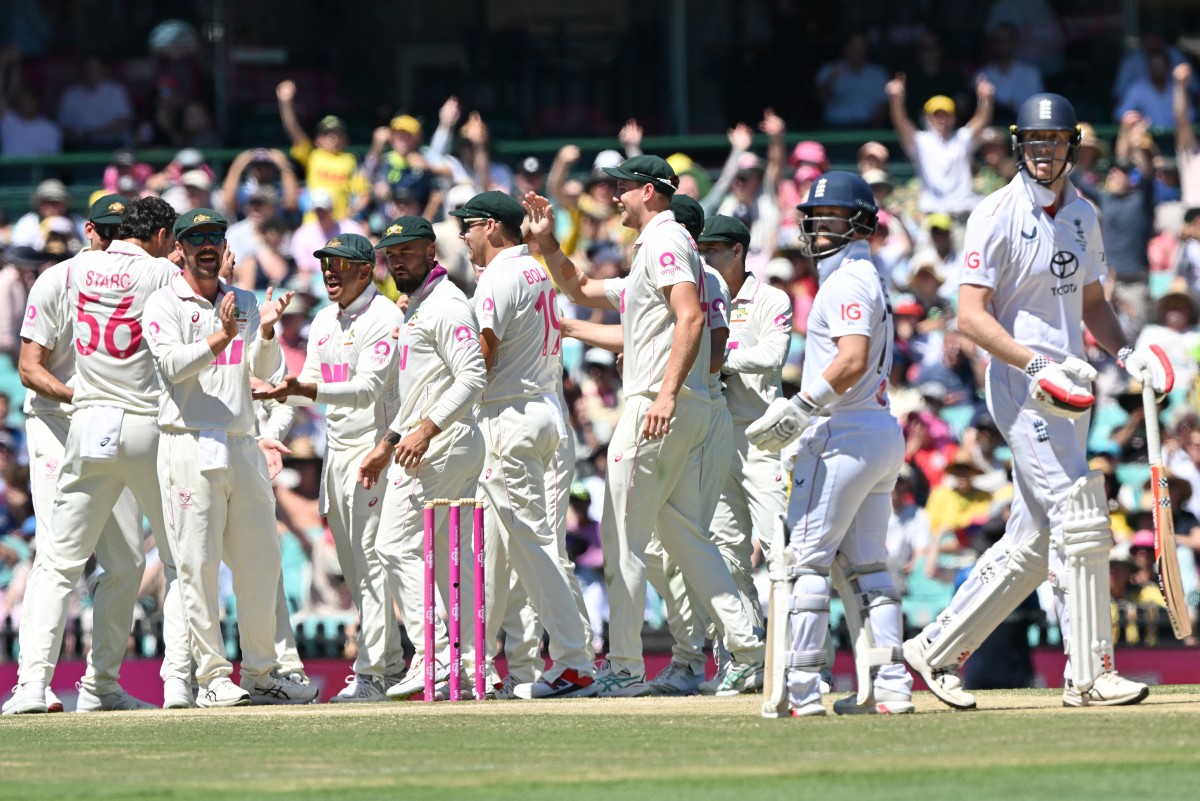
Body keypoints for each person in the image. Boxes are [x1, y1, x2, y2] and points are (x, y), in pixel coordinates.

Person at [901, 93, 1169, 710]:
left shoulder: (1084, 215)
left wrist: (1127, 357)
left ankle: (936, 647)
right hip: (1023, 385)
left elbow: (1095, 304)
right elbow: (970, 316)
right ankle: (1091, 674)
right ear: (1019, 146)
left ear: (1071, 146)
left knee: (1031, 542)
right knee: (1079, 513)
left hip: (1074, 387)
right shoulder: (994, 213)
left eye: (1052, 142)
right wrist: (1037, 362)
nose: (1042, 153)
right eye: (1032, 142)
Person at [523, 154, 765, 698]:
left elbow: (691, 318)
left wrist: (664, 393)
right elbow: (583, 289)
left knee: (624, 540)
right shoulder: (661, 250)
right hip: (689, 408)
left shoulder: (665, 239)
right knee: (685, 537)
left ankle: (626, 666)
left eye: (624, 188)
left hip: (659, 407)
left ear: (652, 192)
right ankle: (749, 647)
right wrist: (547, 244)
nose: (614, 197)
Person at [3, 197, 187, 714]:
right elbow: (29, 368)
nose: (108, 239)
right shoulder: (60, 278)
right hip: (58, 426)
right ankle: (31, 687)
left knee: (126, 561)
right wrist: (76, 396)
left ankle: (100, 685)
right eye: (103, 230)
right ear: (91, 229)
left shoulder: (79, 271)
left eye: (116, 230)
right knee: (58, 557)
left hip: (94, 425)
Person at [748, 171, 913, 717]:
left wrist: (801, 406)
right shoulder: (865, 273)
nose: (818, 231)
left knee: (805, 563)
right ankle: (890, 686)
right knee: (869, 566)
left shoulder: (846, 280)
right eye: (814, 220)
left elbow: (850, 360)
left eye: (831, 220)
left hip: (843, 430)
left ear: (861, 222)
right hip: (877, 430)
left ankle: (801, 690)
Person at [143, 208, 313, 707]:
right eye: (196, 239)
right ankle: (212, 677)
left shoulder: (242, 299)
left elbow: (262, 371)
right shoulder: (162, 302)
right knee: (196, 566)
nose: (207, 246)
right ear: (179, 249)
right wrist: (219, 335)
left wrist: (261, 337)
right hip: (188, 441)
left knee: (261, 564)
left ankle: (263, 672)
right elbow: (173, 367)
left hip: (241, 442)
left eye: (215, 237)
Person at [452, 191, 596, 699]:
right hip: (538, 409)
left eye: (467, 227)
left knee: (533, 545)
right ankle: (479, 664)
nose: (462, 238)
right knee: (500, 549)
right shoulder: (535, 270)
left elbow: (480, 358)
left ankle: (576, 661)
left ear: (491, 226)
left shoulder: (497, 277)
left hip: (509, 417)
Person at [254, 232, 406, 702]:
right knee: (356, 566)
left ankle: (375, 672)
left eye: (339, 264)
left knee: (374, 562)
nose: (329, 272)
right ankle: (386, 667)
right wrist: (276, 427)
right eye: (325, 263)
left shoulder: (384, 316)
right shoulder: (323, 320)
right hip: (336, 455)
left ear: (366, 270)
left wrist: (295, 389)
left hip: (375, 450)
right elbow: (309, 385)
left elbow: (366, 390)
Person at [358, 214, 487, 700]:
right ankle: (471, 664)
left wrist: (426, 431)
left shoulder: (447, 305)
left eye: (407, 253)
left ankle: (433, 655)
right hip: (424, 440)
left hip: (442, 442)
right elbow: (418, 392)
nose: (397, 263)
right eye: (391, 256)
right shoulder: (418, 305)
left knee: (394, 545)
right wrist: (386, 445)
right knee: (443, 561)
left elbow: (472, 377)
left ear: (430, 252)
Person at [698, 213, 792, 692]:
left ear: (737, 251)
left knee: (779, 550)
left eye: (713, 249)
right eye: (701, 250)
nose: (705, 258)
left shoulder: (771, 298)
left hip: (763, 439)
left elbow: (773, 356)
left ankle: (794, 657)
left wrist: (718, 360)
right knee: (726, 553)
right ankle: (747, 654)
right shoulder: (702, 295)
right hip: (716, 437)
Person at [886, 73, 995, 224]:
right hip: (933, 215)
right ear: (928, 117)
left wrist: (985, 99)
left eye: (946, 114)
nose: (941, 118)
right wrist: (896, 100)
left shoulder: (961, 138)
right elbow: (901, 124)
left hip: (963, 214)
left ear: (953, 117)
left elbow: (982, 120)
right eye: (936, 114)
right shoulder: (921, 141)